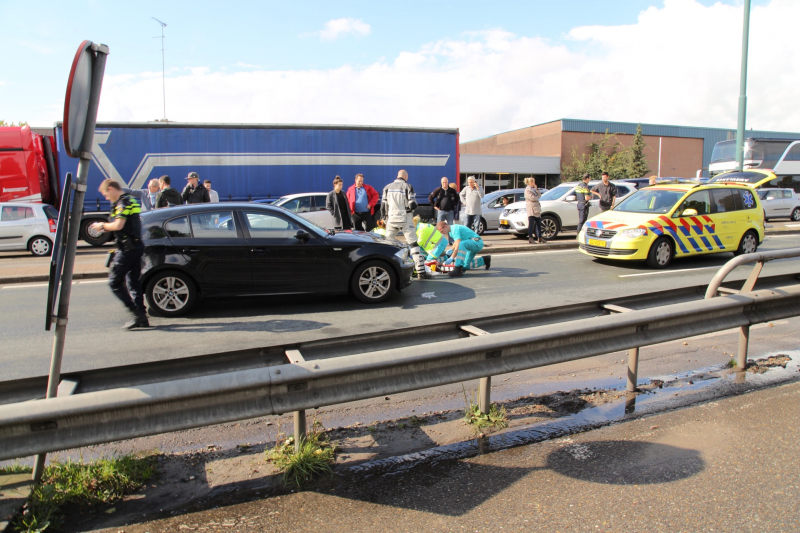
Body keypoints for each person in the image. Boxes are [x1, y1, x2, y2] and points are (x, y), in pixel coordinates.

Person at [90, 180, 148, 329]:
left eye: (106, 194)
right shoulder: (131, 201)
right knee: (133, 282)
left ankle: (136, 313)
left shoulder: (123, 202)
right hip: (135, 246)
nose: (106, 198)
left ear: (111, 189)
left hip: (128, 249)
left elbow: (119, 225)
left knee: (114, 282)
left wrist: (102, 226)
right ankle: (141, 317)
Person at [380, 169, 428, 279]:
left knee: (387, 244)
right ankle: (421, 272)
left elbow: (383, 207)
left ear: (397, 176)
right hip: (405, 218)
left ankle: (385, 269)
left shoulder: (387, 187)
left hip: (392, 219)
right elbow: (412, 205)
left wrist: (386, 219)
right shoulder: (408, 186)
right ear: (406, 176)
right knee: (413, 244)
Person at [524, 177, 545, 244]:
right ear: (530, 183)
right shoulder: (527, 190)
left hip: (536, 208)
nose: (534, 184)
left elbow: (539, 195)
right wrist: (537, 196)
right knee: (531, 224)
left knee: (539, 223)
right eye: (533, 182)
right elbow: (533, 198)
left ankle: (540, 237)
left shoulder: (534, 190)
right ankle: (530, 238)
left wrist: (537, 189)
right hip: (531, 208)